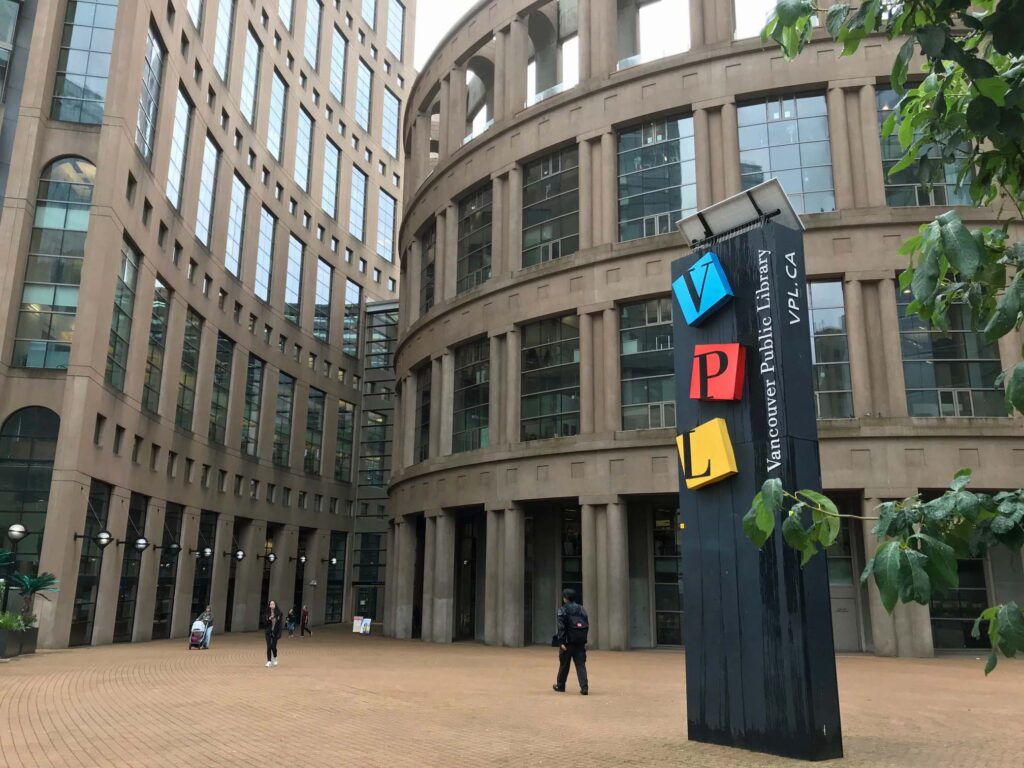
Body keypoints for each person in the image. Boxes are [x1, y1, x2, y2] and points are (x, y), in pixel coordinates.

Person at [552, 588, 589, 695]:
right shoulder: (582, 609)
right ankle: (584, 687)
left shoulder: (562, 610)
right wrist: (583, 639)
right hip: (580, 642)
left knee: (564, 664)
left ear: (565, 598)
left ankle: (560, 685)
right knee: (580, 665)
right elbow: (586, 625)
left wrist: (561, 642)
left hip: (567, 642)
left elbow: (561, 627)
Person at [265, 600, 283, 667]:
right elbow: (265, 624)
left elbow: (280, 624)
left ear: (275, 605)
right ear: (269, 606)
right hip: (268, 632)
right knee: (269, 646)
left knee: (273, 647)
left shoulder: (279, 613)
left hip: (275, 632)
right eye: (271, 604)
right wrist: (269, 619)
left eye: (273, 604)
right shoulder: (267, 613)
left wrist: (279, 633)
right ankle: (269, 661)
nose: (272, 605)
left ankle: (275, 657)